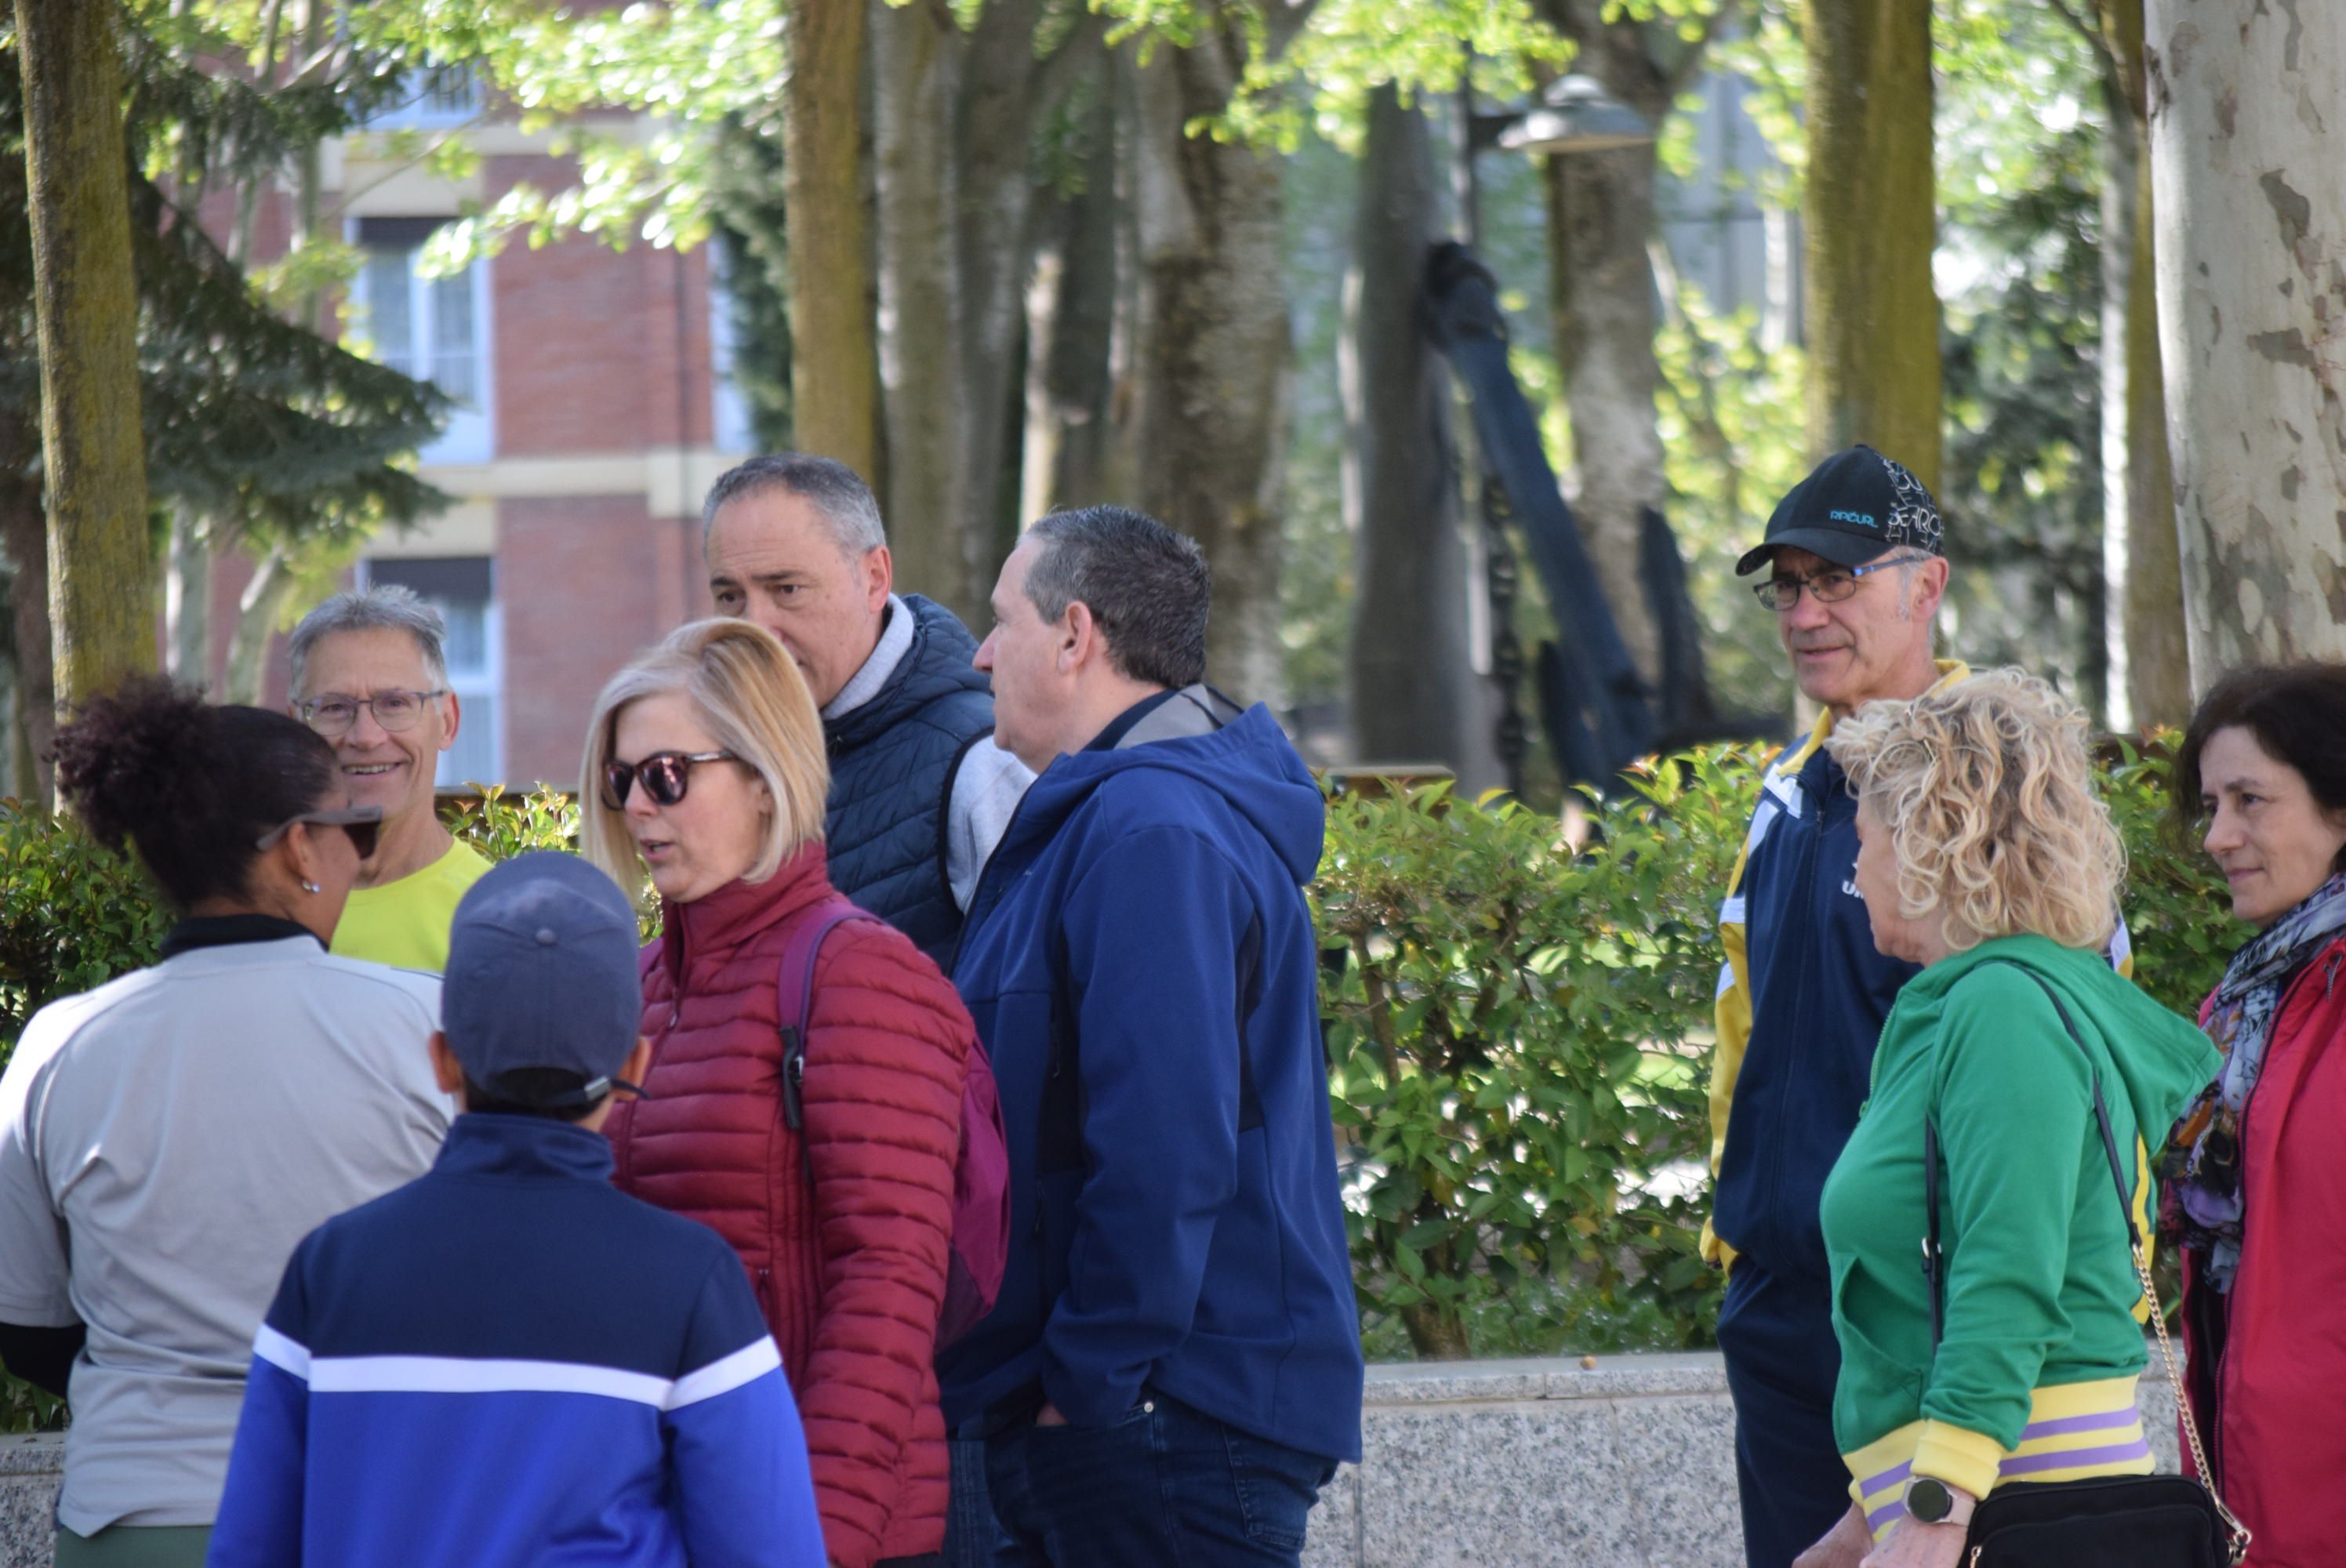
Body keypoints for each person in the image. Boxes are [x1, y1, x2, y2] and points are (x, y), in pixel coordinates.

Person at [942, 506, 1363, 1567]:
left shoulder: (1153, 832)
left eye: (1003, 622)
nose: (983, 653)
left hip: (1162, 1425)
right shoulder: (1132, 819)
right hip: (1153, 1416)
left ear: (1075, 634)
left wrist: (1084, 1390)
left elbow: (1164, 1147)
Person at [206, 853, 828, 1568]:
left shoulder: (330, 1269)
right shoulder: (693, 1284)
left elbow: (251, 1549)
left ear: (441, 1060)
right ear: (634, 1066)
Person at [0, 680, 449, 1568]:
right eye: (353, 828)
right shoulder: (427, 1029)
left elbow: (26, 1325)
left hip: (135, 1513)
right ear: (296, 849)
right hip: (371, 1506)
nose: (362, 857)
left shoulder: (63, 1045)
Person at [1799, 670, 2216, 1568]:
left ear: (1924, 840)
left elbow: (2007, 1267)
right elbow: (1931, 1295)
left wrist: (1932, 1504)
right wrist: (1863, 1514)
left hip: (2011, 1505)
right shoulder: (1973, 1004)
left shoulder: (2002, 1009)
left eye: (1862, 838)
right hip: (1986, 1492)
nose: (1852, 870)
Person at [583, 617, 974, 1568]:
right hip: (677, 1510)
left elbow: (889, 1283)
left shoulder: (858, 974)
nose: (640, 805)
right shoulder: (637, 986)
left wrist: (815, 1537)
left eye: (668, 773)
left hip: (818, 1524)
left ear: (763, 778)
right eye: (622, 777)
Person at [1705, 446, 1979, 1568]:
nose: (1808, 612)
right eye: (1790, 584)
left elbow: (2058, 1056)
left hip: (1931, 1318)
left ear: (1928, 585)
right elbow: (1743, 1037)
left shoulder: (1990, 781)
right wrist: (1741, 1252)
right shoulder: (1787, 790)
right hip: (1781, 1312)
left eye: (1840, 579)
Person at [703, 456, 1032, 964]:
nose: (755, 629)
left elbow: (1035, 1002)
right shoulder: (710, 757)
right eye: (730, 596)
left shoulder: (982, 765)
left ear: (875, 578)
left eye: (786, 589)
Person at [2162, 663, 2346, 1568]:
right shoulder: (2243, 1003)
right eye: (2210, 804)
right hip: (2248, 1480)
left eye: (2249, 800)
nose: (2217, 835)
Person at [285, 585, 490, 970]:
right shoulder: (258, 912)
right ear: (297, 728)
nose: (365, 737)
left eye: (395, 703)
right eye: (333, 707)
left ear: (448, 721)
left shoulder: (493, 922)